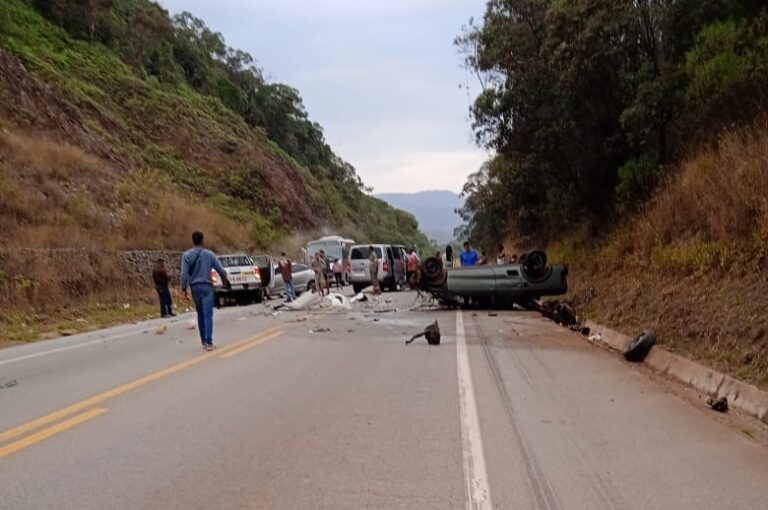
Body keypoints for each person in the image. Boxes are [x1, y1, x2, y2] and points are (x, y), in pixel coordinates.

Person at [181, 231, 230, 351]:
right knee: (208, 314)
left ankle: (203, 341)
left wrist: (184, 288)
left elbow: (184, 274)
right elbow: (221, 271)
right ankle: (209, 342)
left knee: (200, 314)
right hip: (207, 287)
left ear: (193, 241)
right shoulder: (209, 254)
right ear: (203, 241)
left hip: (194, 287)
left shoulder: (186, 255)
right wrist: (225, 282)